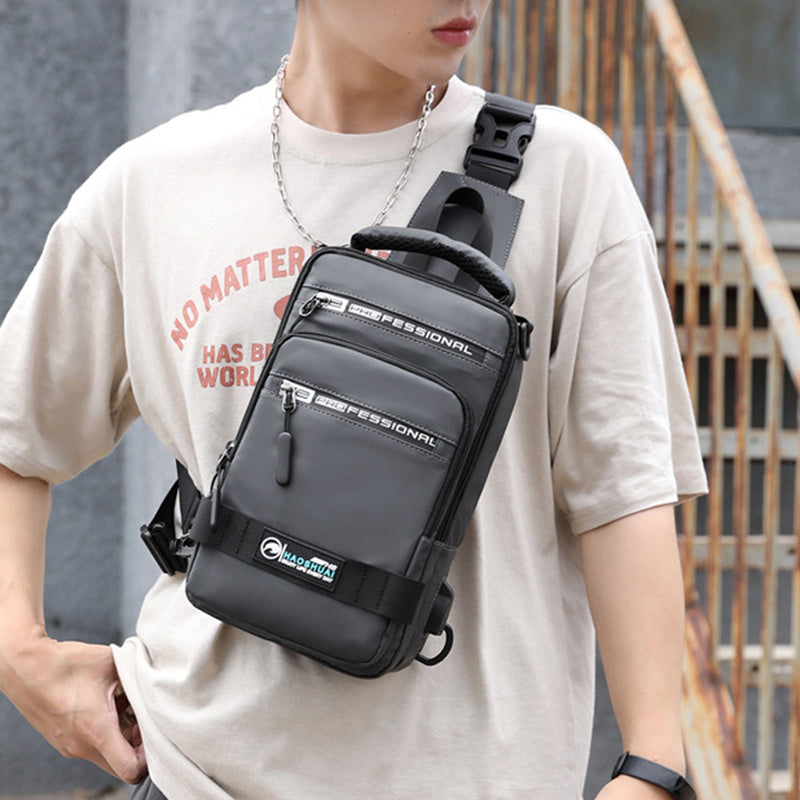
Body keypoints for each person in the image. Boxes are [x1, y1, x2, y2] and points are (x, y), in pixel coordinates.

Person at [0, 1, 708, 798]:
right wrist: (18, 652)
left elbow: (623, 489)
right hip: (194, 770)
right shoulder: (154, 185)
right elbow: (15, 435)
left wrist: (653, 766)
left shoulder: (564, 174)